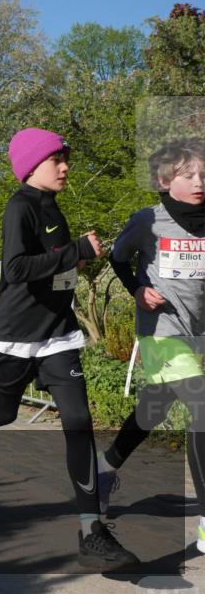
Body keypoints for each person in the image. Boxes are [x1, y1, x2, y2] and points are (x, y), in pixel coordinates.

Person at [0, 128, 139, 571]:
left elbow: (53, 263)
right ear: (31, 166)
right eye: (56, 160)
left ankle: (90, 530)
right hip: (16, 335)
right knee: (1, 412)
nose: (65, 167)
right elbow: (16, 268)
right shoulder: (20, 206)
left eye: (66, 159)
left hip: (58, 335)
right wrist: (73, 252)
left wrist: (74, 258)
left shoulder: (52, 207)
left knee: (79, 421)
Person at [97, 138, 204, 551]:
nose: (199, 182)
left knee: (154, 407)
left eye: (204, 175)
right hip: (162, 329)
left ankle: (106, 467)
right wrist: (138, 289)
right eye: (188, 175)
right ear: (163, 181)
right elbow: (118, 258)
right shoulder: (148, 220)